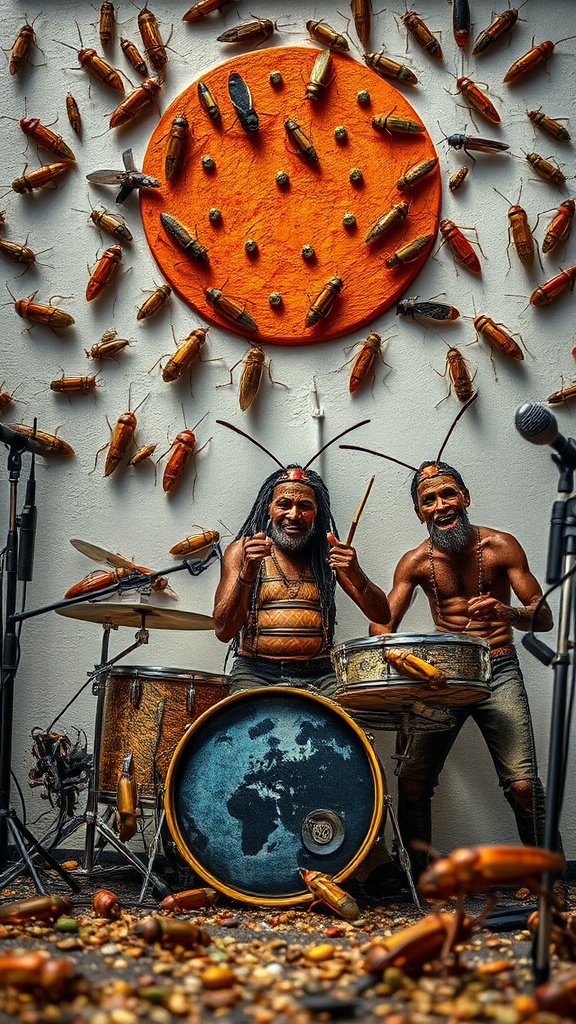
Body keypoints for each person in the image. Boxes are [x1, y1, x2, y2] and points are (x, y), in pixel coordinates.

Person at [370, 460, 555, 880]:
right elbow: (382, 624)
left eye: (448, 493)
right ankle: (421, 880)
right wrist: (403, 656)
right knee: (413, 782)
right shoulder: (415, 562)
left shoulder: (500, 546)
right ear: (420, 511)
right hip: (442, 675)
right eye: (428, 499)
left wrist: (506, 611)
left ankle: (550, 882)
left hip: (498, 666)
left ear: (465, 497)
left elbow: (542, 618)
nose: (440, 505)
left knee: (524, 786)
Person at [213, 464, 390, 694]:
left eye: (305, 506)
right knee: (242, 724)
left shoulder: (327, 553)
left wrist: (356, 572)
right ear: (269, 507)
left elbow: (382, 615)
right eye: (284, 504)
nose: (294, 515)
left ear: (316, 512)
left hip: (320, 673)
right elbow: (223, 631)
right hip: (255, 672)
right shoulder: (242, 550)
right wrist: (247, 573)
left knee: (343, 726)